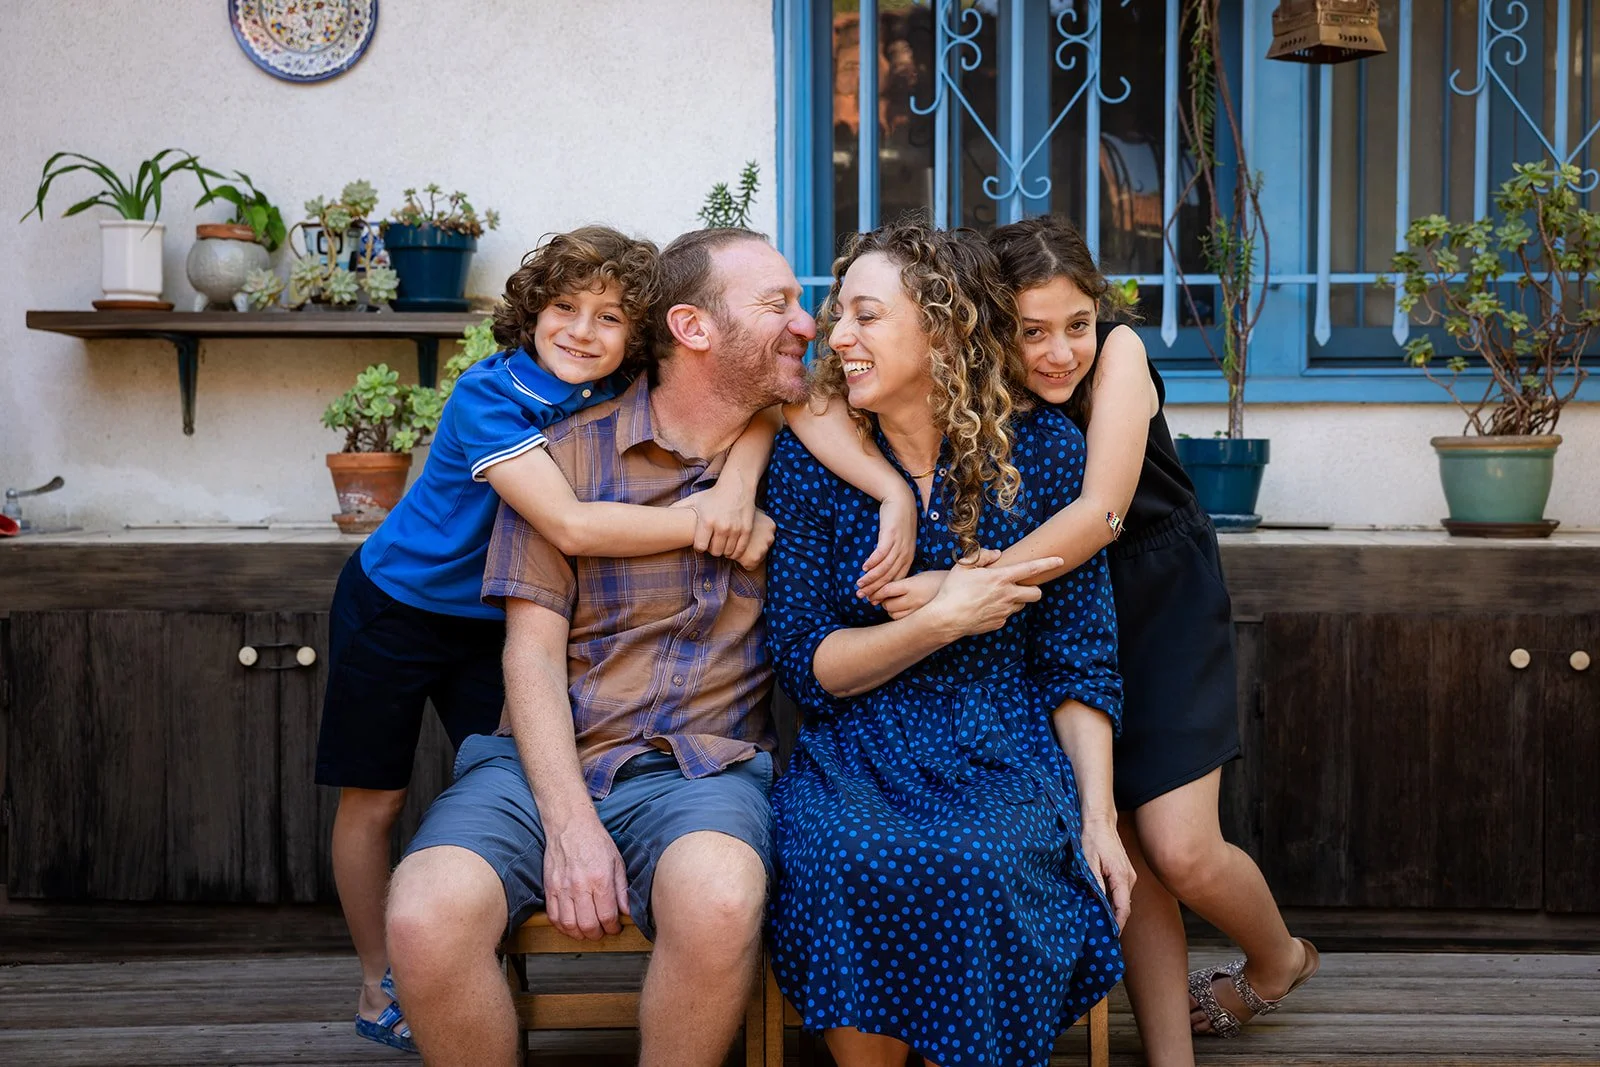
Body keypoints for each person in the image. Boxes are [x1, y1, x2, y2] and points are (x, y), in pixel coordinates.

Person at [812, 216, 1318, 1063]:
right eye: (1032, 331)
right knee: (1117, 833)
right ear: (982, 325)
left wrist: (957, 587)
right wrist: (892, 495)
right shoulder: (974, 379)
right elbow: (811, 399)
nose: (1058, 352)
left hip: (1152, 594)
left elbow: (1102, 513)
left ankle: (1279, 958)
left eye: (1076, 324)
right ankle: (1169, 1052)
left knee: (1181, 846)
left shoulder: (1117, 354)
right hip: (1050, 608)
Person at [314, 225, 774, 1052]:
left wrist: (737, 481)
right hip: (400, 601)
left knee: (537, 761)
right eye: (564, 307)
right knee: (375, 797)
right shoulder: (490, 395)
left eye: (609, 318)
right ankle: (379, 975)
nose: (582, 331)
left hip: (492, 617)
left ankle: (474, 957)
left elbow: (760, 401)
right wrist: (706, 520)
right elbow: (568, 524)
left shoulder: (614, 387)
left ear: (638, 336)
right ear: (532, 312)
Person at [764, 222, 1134, 1067]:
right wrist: (938, 619)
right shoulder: (814, 461)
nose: (838, 336)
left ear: (942, 329)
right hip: (856, 748)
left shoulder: (1043, 451)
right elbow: (807, 663)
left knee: (984, 860)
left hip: (1001, 742)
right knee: (841, 855)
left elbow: (1078, 661)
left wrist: (1099, 816)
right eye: (840, 314)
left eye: (865, 316)